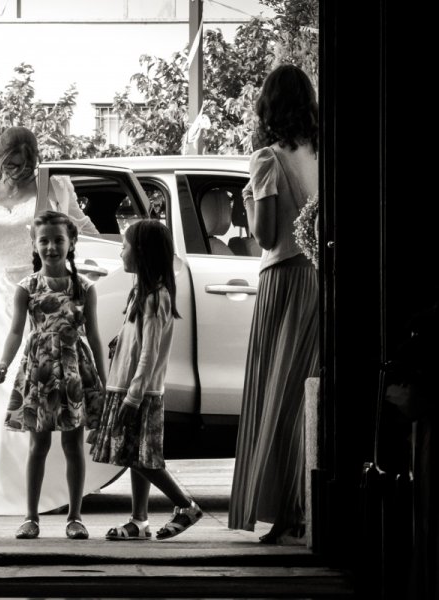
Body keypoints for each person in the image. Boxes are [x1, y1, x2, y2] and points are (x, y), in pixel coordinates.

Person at [0, 125, 120, 516]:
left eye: (28, 163)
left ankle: (52, 488)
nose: (20, 170)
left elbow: (79, 229)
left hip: (36, 294)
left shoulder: (55, 186)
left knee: (38, 384)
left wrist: (119, 250)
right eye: (12, 163)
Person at [228, 64, 320, 544]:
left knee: (277, 396)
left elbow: (264, 235)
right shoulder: (319, 155)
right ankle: (304, 508)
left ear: (267, 107)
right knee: (306, 399)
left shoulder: (267, 159)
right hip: (318, 280)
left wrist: (247, 199)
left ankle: (284, 514)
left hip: (282, 280)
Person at [0, 211, 107, 539]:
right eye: (44, 240)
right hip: (39, 369)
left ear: (71, 244)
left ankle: (75, 516)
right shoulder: (26, 287)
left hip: (74, 369)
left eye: (59, 240)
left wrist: (101, 376)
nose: (51, 247)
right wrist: (2, 363)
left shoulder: (84, 288)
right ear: (34, 244)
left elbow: (95, 335)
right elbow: (15, 332)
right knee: (37, 445)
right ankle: (31, 516)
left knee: (73, 445)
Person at [90, 219, 203, 541]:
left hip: (138, 391)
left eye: (124, 246)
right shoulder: (141, 291)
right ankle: (139, 520)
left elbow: (150, 354)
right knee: (134, 455)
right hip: (126, 386)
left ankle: (186, 506)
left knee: (140, 458)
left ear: (141, 253)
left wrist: (133, 397)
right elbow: (135, 340)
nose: (120, 252)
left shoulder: (156, 297)